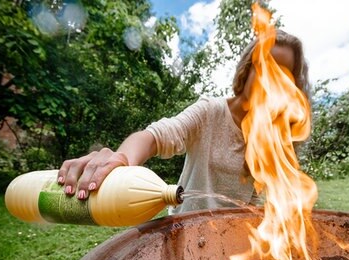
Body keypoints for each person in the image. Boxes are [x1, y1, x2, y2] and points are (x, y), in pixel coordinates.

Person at [57, 30, 310, 214]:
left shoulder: (273, 137)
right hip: (183, 231)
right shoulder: (210, 112)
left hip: (231, 240)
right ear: (248, 68)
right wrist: (122, 158)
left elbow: (253, 201)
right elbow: (156, 136)